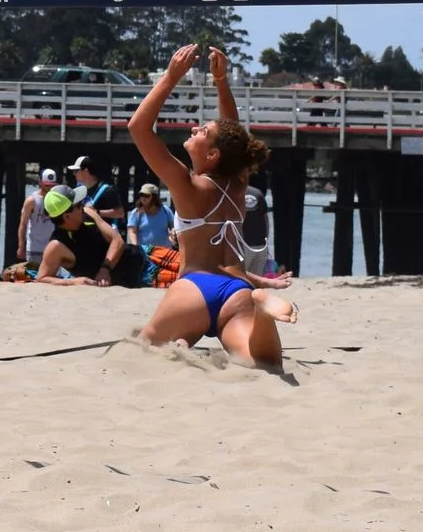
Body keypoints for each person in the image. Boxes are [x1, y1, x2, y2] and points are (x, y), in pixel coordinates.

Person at [126, 46, 296, 363]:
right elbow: (234, 134)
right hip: (237, 290)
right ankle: (263, 316)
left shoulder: (188, 183)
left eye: (202, 131)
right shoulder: (238, 183)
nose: (194, 128)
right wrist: (220, 81)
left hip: (194, 288)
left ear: (213, 155)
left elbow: (138, 127)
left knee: (143, 347)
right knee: (257, 357)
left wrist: (171, 76)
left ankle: (195, 329)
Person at [18, 168, 62, 273]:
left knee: (53, 278)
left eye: (52, 185)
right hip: (34, 248)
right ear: (40, 182)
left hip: (51, 248)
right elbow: (23, 224)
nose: (50, 188)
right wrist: (21, 246)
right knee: (33, 278)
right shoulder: (32, 200)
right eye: (47, 185)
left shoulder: (58, 200)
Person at [128, 184, 174, 255]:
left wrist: (173, 233)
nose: (143, 198)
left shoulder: (166, 210)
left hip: (165, 252)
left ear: (154, 197)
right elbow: (132, 232)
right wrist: (136, 248)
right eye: (141, 195)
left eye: (146, 195)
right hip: (145, 254)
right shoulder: (136, 213)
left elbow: (173, 227)